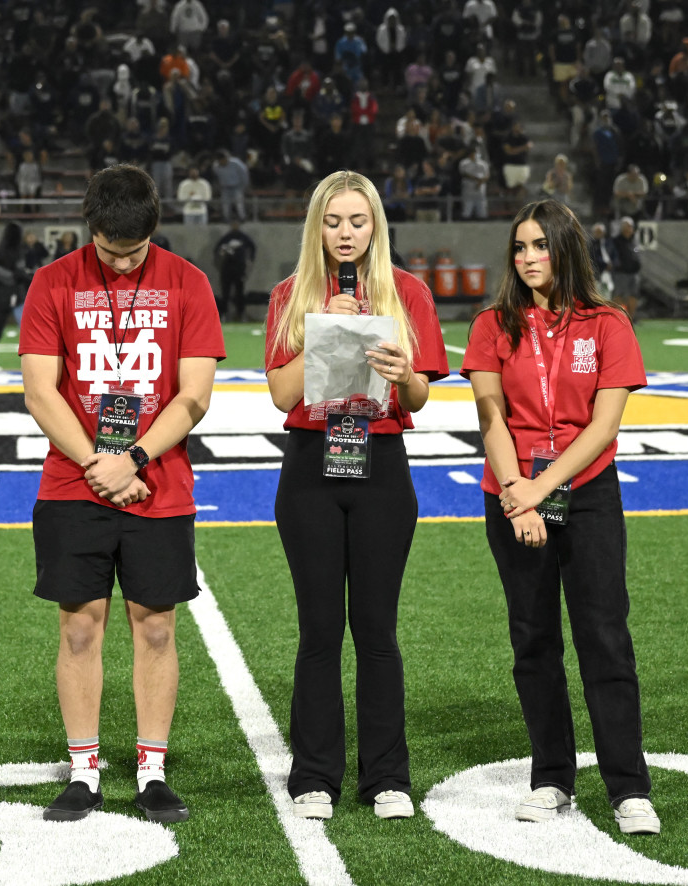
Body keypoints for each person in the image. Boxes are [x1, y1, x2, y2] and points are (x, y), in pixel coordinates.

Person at [19, 164, 225, 824]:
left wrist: (133, 456)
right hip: (74, 485)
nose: (122, 263)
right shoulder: (53, 282)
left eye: (133, 252)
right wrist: (96, 462)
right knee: (80, 628)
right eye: (110, 251)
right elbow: (40, 391)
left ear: (154, 229)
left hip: (157, 482)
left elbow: (194, 395)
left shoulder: (188, 283)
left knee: (156, 627)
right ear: (90, 228)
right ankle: (83, 771)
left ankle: (152, 771)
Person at [461, 198, 659, 836]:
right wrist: (517, 490)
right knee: (534, 641)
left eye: (540, 246)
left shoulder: (608, 325)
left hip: (587, 494)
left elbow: (604, 425)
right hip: (513, 492)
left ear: (567, 248)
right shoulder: (493, 324)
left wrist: (539, 485)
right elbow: (490, 416)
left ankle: (628, 787)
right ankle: (551, 778)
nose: (527, 258)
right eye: (519, 247)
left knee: (604, 636)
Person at [264, 170, 448, 822]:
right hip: (311, 468)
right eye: (334, 221)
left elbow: (421, 396)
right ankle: (314, 775)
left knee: (376, 632)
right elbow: (283, 396)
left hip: (382, 465)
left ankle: (387, 777)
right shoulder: (290, 294)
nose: (346, 233)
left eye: (358, 221)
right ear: (317, 225)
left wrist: (403, 374)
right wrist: (319, 328)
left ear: (376, 225)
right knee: (319, 631)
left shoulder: (408, 294)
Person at [0, 221, 29, 369]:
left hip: (2, 295)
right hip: (16, 295)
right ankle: (32, 364)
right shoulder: (17, 251)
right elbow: (18, 272)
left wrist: (14, 276)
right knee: (27, 331)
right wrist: (18, 276)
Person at [213, 219, 257, 321]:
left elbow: (253, 247)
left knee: (239, 292)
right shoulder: (227, 237)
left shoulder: (243, 237)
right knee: (225, 293)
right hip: (227, 269)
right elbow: (217, 250)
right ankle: (223, 314)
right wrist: (221, 255)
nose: (234, 226)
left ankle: (240, 314)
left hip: (239, 268)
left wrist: (250, 260)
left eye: (236, 224)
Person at [611, 217, 641, 319]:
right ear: (623, 228)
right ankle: (619, 317)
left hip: (634, 272)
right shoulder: (616, 241)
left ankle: (631, 318)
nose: (630, 228)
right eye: (628, 226)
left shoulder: (633, 241)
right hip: (621, 272)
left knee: (633, 295)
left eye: (631, 226)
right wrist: (618, 265)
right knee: (619, 295)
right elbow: (613, 256)